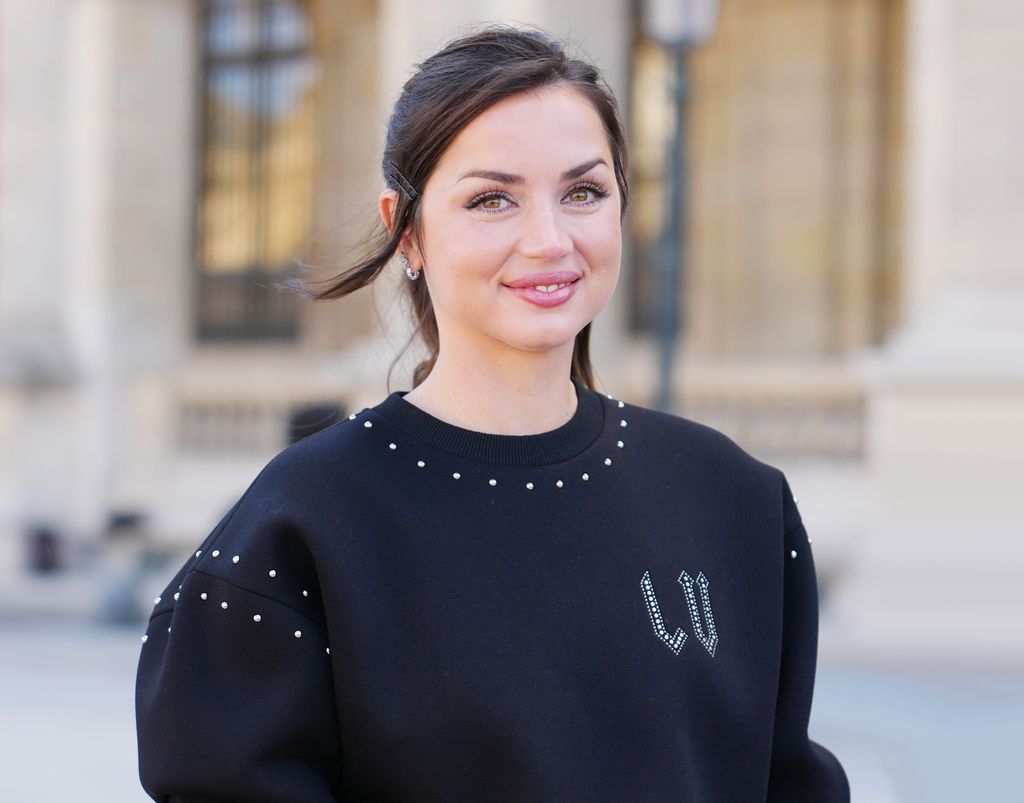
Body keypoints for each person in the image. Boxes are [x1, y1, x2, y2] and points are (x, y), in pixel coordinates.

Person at [135, 26, 849, 802]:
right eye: (491, 199)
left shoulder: (736, 500)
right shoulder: (297, 526)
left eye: (583, 192)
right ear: (406, 231)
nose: (548, 240)